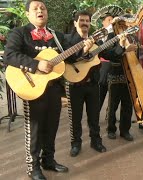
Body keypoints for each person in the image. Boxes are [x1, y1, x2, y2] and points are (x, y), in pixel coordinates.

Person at [3, 0, 93, 179]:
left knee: (52, 127)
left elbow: (71, 57)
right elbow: (10, 56)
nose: (40, 11)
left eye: (43, 8)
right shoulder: (19, 33)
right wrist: (36, 64)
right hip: (33, 87)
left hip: (54, 89)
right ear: (28, 14)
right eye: (35, 8)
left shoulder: (56, 36)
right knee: (35, 130)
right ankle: (33, 167)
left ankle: (49, 160)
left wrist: (84, 49)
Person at [65, 10, 106, 157]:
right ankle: (76, 143)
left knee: (94, 116)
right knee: (75, 117)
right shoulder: (68, 39)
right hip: (75, 84)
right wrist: (84, 50)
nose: (85, 23)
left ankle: (96, 141)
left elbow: (110, 54)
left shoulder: (96, 41)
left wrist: (121, 45)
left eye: (87, 21)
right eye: (81, 21)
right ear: (75, 23)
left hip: (93, 84)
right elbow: (66, 59)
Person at [98, 6, 136, 141]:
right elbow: (108, 54)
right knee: (113, 103)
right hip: (115, 71)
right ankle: (111, 128)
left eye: (126, 22)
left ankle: (125, 130)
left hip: (131, 72)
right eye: (122, 22)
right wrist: (123, 49)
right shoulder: (111, 35)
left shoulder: (132, 35)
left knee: (127, 103)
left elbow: (137, 51)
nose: (124, 25)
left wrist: (139, 49)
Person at [92, 5, 124, 110]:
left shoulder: (118, 34)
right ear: (103, 22)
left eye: (113, 20)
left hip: (116, 67)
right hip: (103, 66)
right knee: (101, 92)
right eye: (109, 20)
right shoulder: (98, 34)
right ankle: (95, 115)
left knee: (114, 95)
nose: (111, 23)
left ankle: (110, 115)